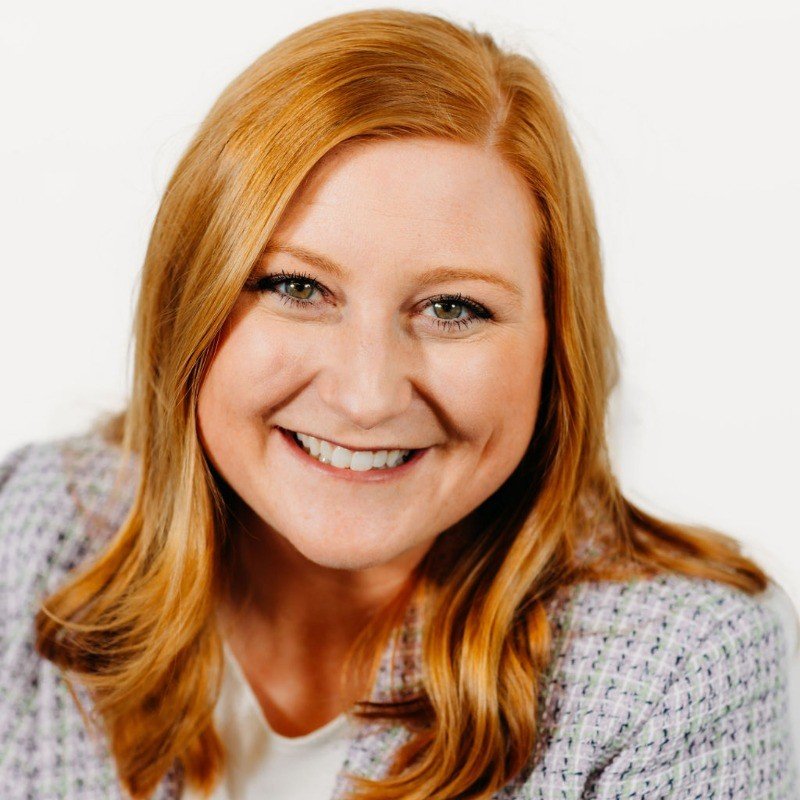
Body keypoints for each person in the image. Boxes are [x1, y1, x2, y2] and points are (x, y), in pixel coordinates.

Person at [0, 7, 797, 799]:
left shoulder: (678, 669)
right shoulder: (28, 533)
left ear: (558, 347)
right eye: (297, 287)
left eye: (453, 308)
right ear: (189, 304)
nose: (366, 395)